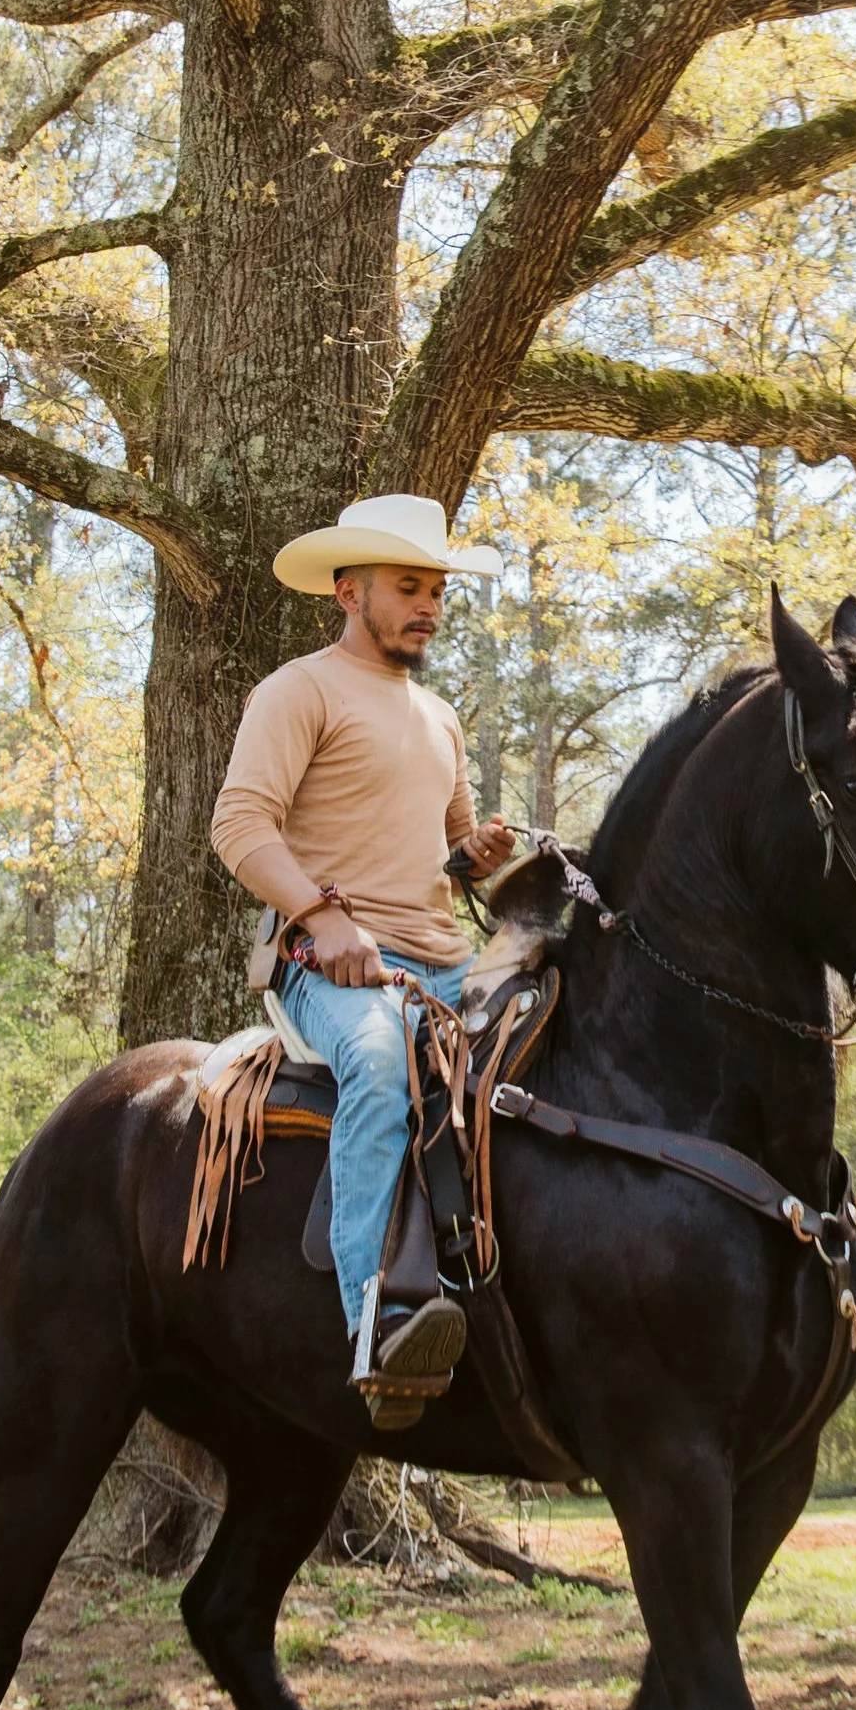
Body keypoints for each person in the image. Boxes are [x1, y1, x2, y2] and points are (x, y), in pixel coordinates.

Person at [210, 492, 517, 1398]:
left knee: (548, 1048)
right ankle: (374, 1323)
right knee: (380, 1060)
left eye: (436, 589)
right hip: (328, 968)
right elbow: (239, 825)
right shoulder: (298, 690)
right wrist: (323, 919)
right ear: (349, 592)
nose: (428, 604)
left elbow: (451, 858)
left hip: (444, 962)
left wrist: (477, 857)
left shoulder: (442, 717)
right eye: (407, 586)